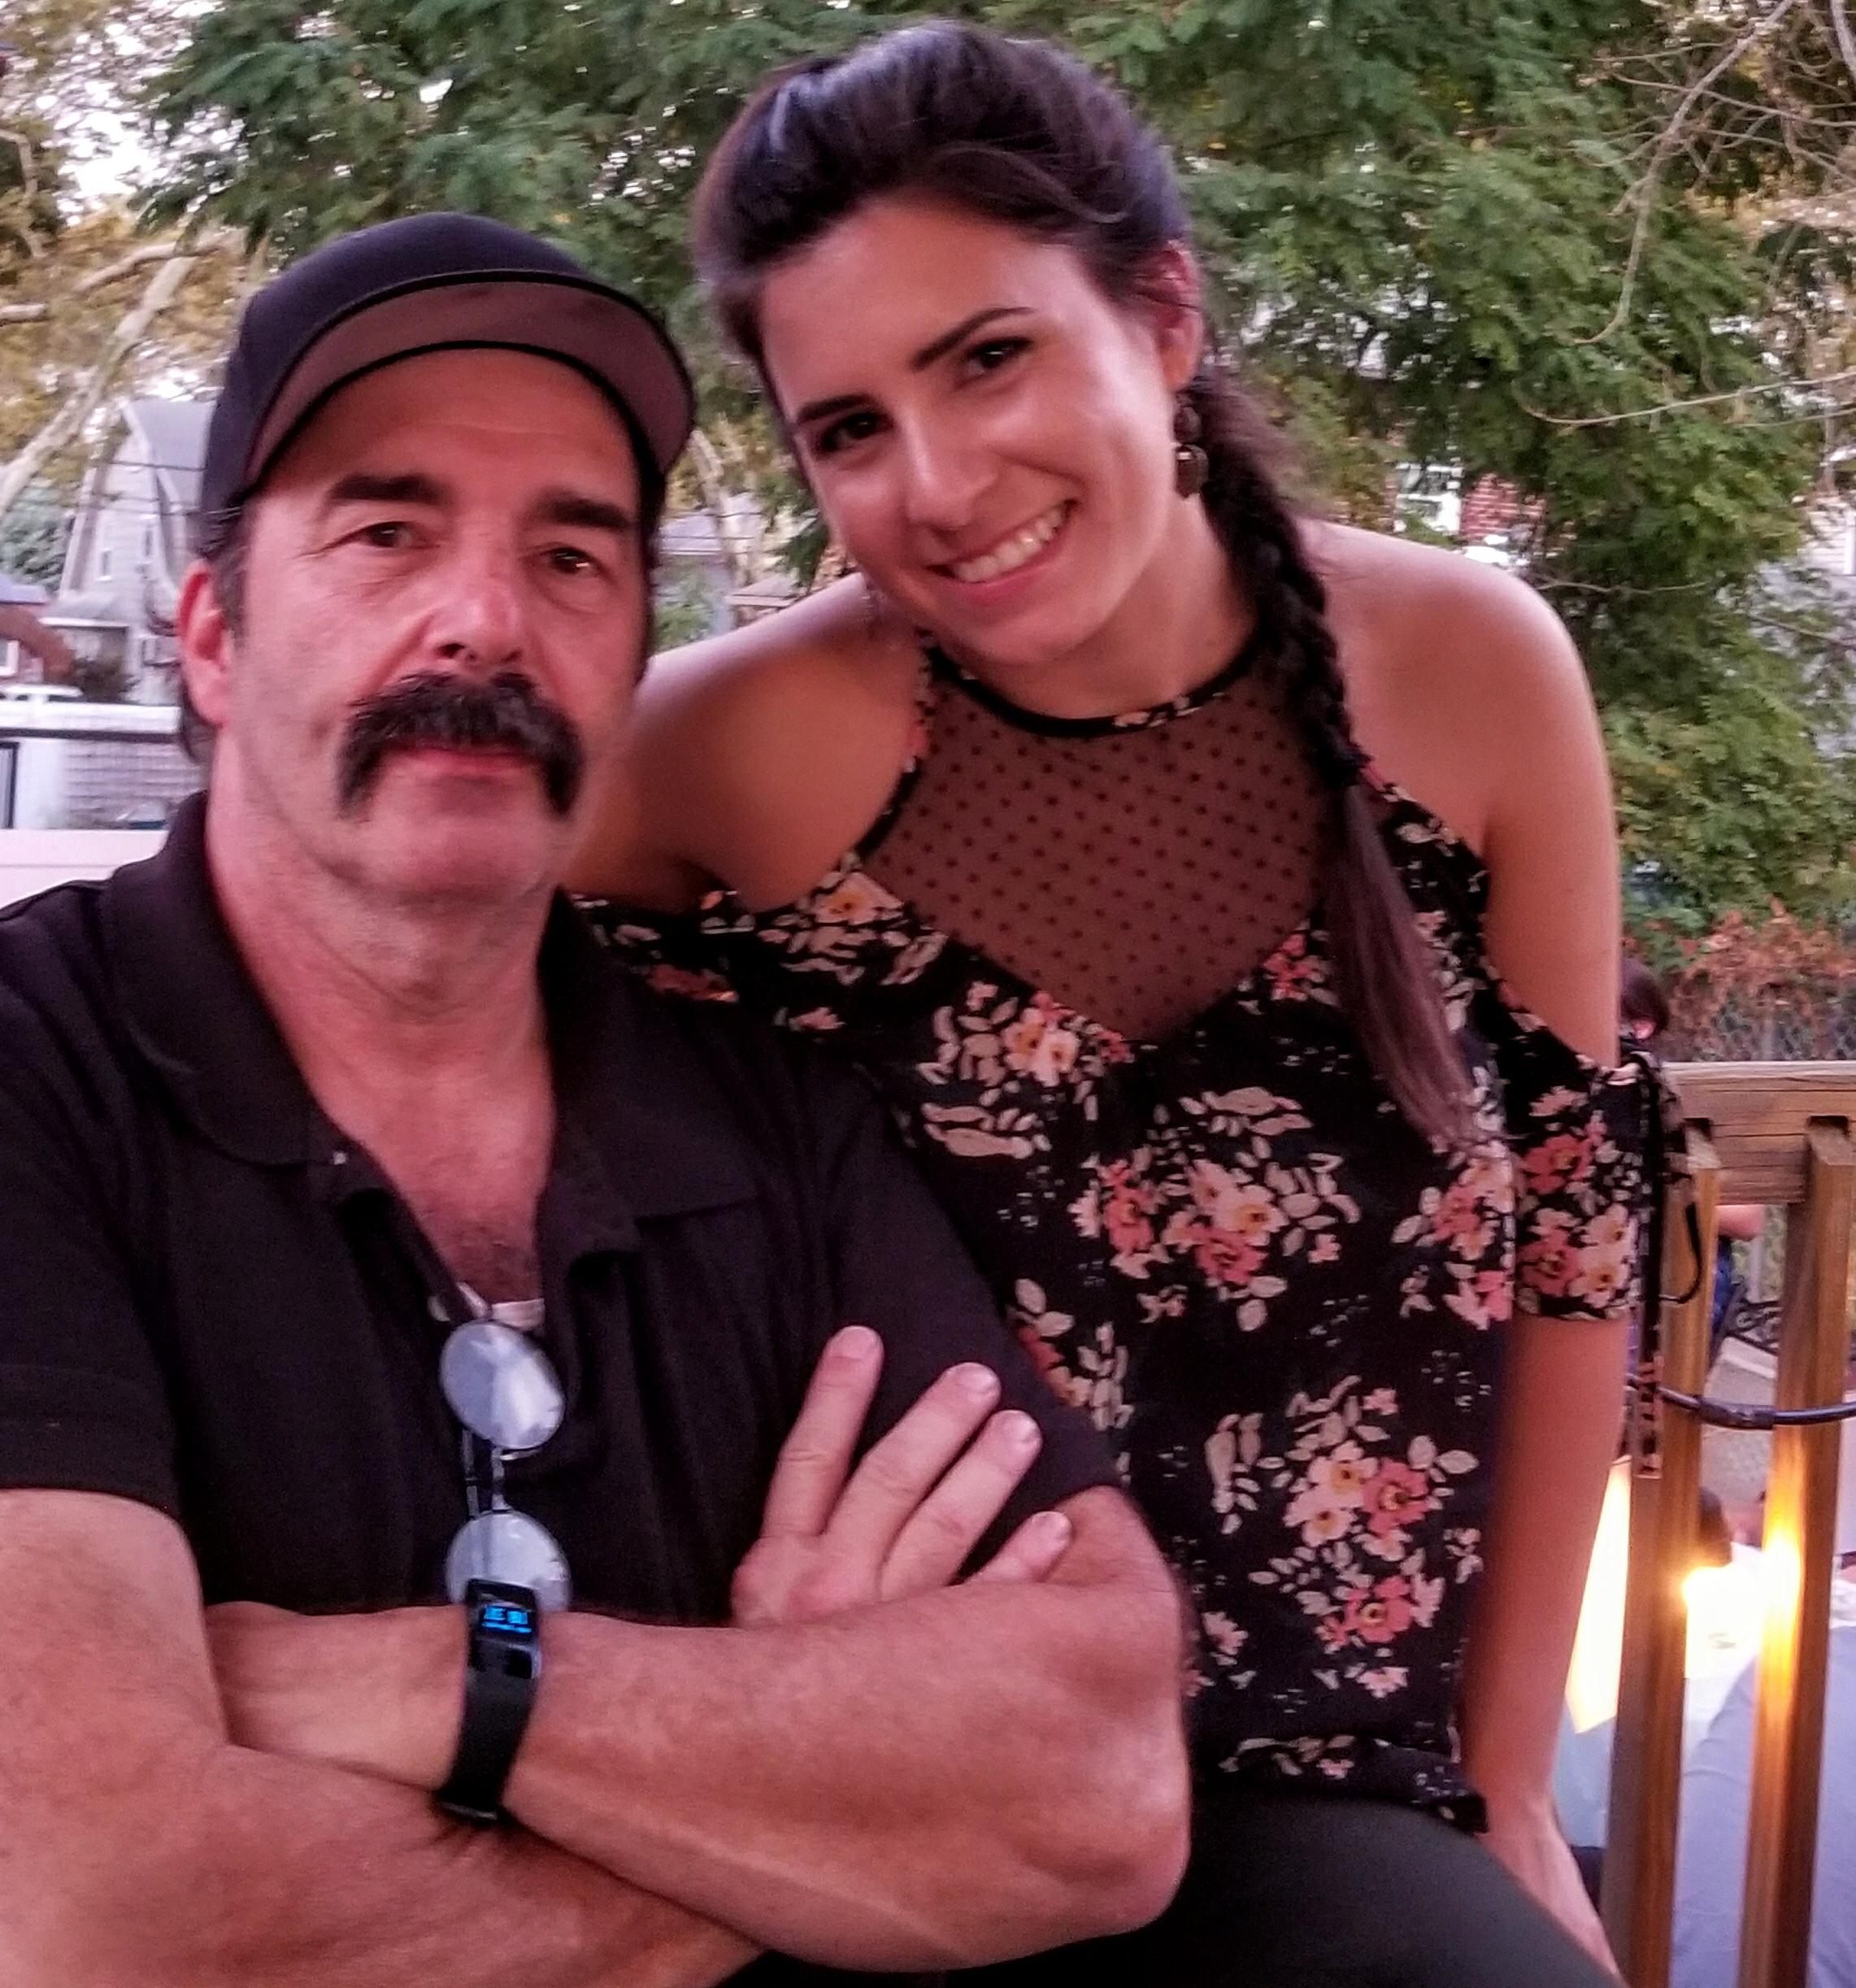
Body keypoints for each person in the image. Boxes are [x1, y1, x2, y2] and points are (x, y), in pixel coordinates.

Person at [573, 23, 1658, 1984]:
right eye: (848, 428)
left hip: (1343, 1787)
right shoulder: (723, 754)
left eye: (986, 358)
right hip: (907, 1764)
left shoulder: (1465, 669)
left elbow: (1574, 1247)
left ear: (1161, 315)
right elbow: (398, 981)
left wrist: (1506, 1781)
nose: (934, 484)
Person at [0, 212, 1192, 1986]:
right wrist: (809, 1779)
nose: (485, 620)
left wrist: (455, 1682)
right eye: (387, 534)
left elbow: (1099, 1790)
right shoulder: (37, 1083)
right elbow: (94, 1914)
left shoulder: (773, 1123)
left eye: (571, 556)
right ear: (214, 636)